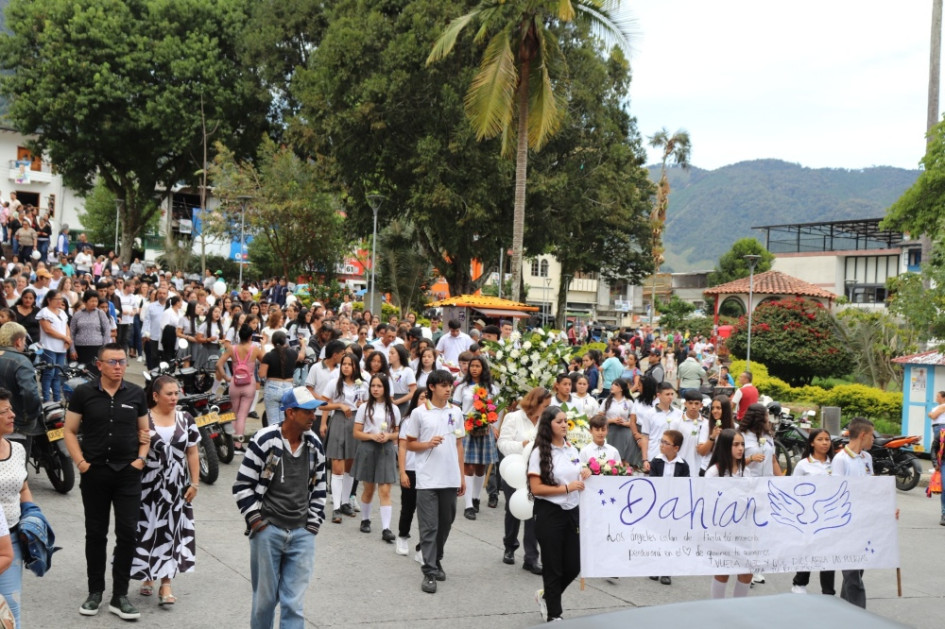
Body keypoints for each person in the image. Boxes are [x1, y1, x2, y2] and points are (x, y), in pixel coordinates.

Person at [64, 343, 150, 620]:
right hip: (95, 473)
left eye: (122, 361)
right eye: (112, 362)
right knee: (96, 534)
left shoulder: (136, 393)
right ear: (98, 365)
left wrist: (140, 459)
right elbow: (69, 430)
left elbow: (144, 430)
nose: (118, 367)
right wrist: (81, 463)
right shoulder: (83, 393)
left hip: (128, 473)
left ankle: (120, 595)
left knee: (127, 533)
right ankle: (95, 592)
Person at [232, 386, 327, 629]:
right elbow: (243, 485)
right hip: (268, 531)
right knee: (264, 601)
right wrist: (256, 521)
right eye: (308, 412)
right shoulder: (265, 440)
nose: (313, 416)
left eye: (314, 411)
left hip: (301, 533)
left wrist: (312, 525)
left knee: (293, 603)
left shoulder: (314, 444)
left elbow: (320, 488)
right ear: (291, 413)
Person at [131, 375, 200, 606]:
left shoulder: (186, 418)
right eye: (169, 394)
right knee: (148, 530)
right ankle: (148, 574)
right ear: (155, 395)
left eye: (176, 393)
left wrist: (194, 483)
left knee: (172, 532)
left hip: (177, 486)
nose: (174, 397)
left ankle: (166, 584)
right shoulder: (143, 419)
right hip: (148, 485)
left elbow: (192, 452)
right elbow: (133, 450)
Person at [404, 369, 466, 594]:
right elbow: (409, 444)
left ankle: (436, 559)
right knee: (429, 526)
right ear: (432, 387)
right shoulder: (419, 414)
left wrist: (461, 475)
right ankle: (429, 571)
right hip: (428, 479)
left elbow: (459, 444)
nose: (448, 389)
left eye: (450, 385)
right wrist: (427, 444)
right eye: (443, 385)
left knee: (446, 523)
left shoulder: (456, 412)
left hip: (450, 477)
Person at [529, 405, 590, 622]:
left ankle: (547, 596)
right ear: (549, 426)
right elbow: (536, 489)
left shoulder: (572, 449)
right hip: (549, 512)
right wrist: (566, 488)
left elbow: (576, 476)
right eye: (559, 422)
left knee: (574, 563)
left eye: (566, 421)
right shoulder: (539, 452)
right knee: (553, 565)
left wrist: (585, 472)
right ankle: (555, 614)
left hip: (572, 511)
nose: (564, 425)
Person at [497, 386, 551, 572]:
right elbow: (502, 444)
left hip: (536, 471)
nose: (547, 410)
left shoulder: (545, 420)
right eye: (545, 406)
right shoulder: (514, 417)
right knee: (514, 510)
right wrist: (523, 445)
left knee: (534, 512)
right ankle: (510, 546)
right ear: (535, 404)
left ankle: (531, 557)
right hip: (514, 469)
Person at [832, 416, 878, 608]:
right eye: (872, 436)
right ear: (862, 435)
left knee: (856, 570)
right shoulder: (840, 459)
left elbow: (873, 486)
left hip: (865, 522)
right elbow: (835, 491)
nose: (874, 440)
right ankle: (860, 613)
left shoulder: (867, 458)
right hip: (847, 524)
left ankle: (844, 610)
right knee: (852, 574)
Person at [352, 374, 401, 541]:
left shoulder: (393, 408)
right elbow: (356, 432)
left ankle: (386, 528)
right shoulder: (364, 407)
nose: (375, 389)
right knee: (369, 488)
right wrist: (372, 436)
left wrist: (388, 436)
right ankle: (365, 519)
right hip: (368, 448)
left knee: (385, 489)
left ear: (385, 388)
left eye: (379, 386)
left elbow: (397, 432)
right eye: (373, 386)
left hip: (386, 448)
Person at [452, 355, 499, 521]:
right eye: (472, 366)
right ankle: (468, 505)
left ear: (483, 368)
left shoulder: (492, 388)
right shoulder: (462, 387)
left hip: (485, 426)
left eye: (478, 366)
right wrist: (457, 428)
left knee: (481, 467)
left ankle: (476, 497)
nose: (474, 369)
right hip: (467, 425)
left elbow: (495, 409)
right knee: (468, 466)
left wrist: (494, 426)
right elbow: (456, 408)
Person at [790, 428, 836, 596]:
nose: (824, 443)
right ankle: (799, 582)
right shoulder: (804, 465)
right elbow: (793, 489)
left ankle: (828, 591)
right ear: (811, 443)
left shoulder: (835, 463)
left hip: (830, 515)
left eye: (827, 439)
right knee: (809, 548)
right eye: (820, 439)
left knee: (828, 552)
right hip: (809, 515)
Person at [705, 429, 750, 598]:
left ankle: (738, 608)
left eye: (743, 444)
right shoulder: (714, 473)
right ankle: (717, 609)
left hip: (743, 529)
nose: (740, 449)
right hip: (722, 530)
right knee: (723, 570)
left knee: (746, 572)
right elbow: (708, 503)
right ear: (725, 446)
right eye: (736, 444)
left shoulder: (746, 471)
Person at [0, 388, 32, 626]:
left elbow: (23, 488)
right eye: (4, 411)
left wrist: (32, 514)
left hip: (10, 541)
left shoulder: (17, 450)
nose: (12, 414)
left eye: (11, 409)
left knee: (10, 612)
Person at [322, 354, 364, 523]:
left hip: (356, 422)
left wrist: (363, 406)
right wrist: (338, 406)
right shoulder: (334, 383)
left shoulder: (363, 385)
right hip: (339, 419)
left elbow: (370, 405)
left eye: (349, 364)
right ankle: (336, 507)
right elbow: (323, 404)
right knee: (337, 466)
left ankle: (346, 501)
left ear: (356, 367)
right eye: (344, 364)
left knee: (350, 466)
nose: (346, 367)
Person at [647, 429, 690, 585]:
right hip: (658, 504)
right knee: (657, 536)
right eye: (662, 441)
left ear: (676, 448)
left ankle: (667, 570)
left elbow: (685, 487)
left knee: (670, 538)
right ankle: (655, 567)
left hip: (674, 507)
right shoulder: (656, 461)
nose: (662, 445)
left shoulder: (683, 465)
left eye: (666, 443)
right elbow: (653, 483)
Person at [216, 324, 265, 454]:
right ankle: (238, 444)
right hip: (249, 384)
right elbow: (265, 361)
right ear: (250, 336)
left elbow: (219, 363)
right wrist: (263, 345)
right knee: (243, 415)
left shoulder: (232, 348)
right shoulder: (255, 349)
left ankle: (230, 442)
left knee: (234, 413)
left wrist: (226, 377)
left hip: (234, 383)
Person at [0, 322, 43, 435]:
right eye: (24, 341)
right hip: (17, 420)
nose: (24, 345)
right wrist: (30, 416)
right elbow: (29, 392)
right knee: (20, 451)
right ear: (18, 342)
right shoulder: (21, 361)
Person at [259, 331, 302, 426]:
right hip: (288, 387)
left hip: (272, 387)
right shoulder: (292, 353)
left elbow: (262, 374)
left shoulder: (269, 356)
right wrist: (303, 345)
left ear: (273, 342)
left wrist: (262, 345)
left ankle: (273, 439)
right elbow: (302, 357)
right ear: (285, 341)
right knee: (285, 421)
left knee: (272, 422)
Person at [37, 290, 71, 402]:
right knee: (49, 373)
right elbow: (48, 330)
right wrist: (64, 338)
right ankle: (46, 398)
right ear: (49, 300)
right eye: (57, 299)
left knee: (58, 374)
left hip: (61, 348)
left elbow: (66, 327)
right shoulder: (44, 312)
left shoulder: (62, 312)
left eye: (60, 299)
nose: (59, 301)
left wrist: (68, 338)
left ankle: (57, 399)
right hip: (49, 347)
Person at [602, 379, 643, 468]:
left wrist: (625, 423)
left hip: (625, 431)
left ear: (621, 389)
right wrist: (612, 420)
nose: (612, 386)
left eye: (615, 385)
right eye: (612, 384)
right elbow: (600, 418)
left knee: (625, 458)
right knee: (610, 457)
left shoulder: (629, 402)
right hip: (610, 431)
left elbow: (634, 421)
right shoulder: (607, 401)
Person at [696, 394, 734, 476]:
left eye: (718, 408)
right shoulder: (706, 425)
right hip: (707, 469)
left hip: (727, 471)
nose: (714, 411)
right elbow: (702, 452)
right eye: (712, 408)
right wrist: (712, 437)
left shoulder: (735, 428)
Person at [928, 391, 945, 526]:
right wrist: (936, 464)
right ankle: (944, 514)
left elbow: (932, 415)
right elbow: (934, 448)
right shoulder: (942, 435)